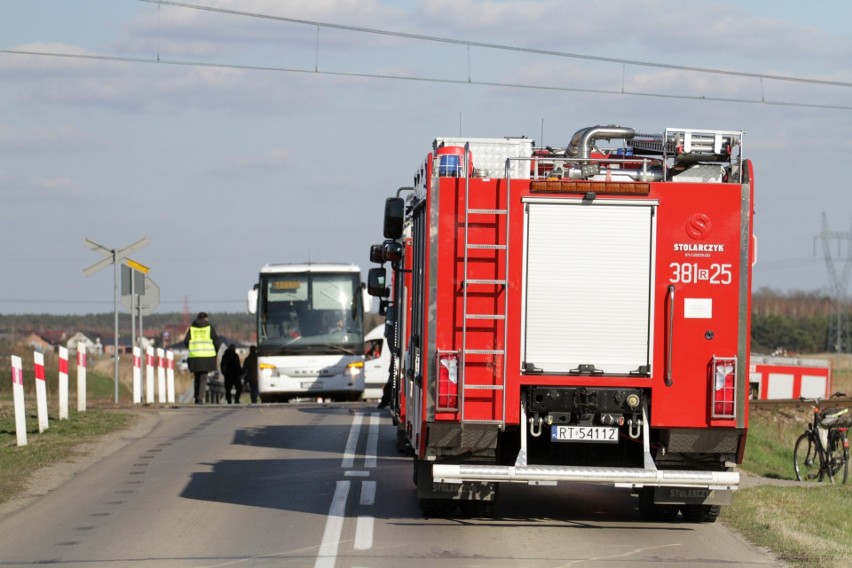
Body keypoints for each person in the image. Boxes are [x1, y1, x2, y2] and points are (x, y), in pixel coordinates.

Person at [183, 312, 221, 404]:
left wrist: (192, 348)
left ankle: (196, 397)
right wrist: (214, 352)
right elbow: (217, 343)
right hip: (206, 356)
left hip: (195, 356)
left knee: (197, 377)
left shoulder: (192, 329)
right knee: (203, 378)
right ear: (206, 318)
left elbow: (186, 341)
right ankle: (200, 398)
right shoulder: (210, 328)